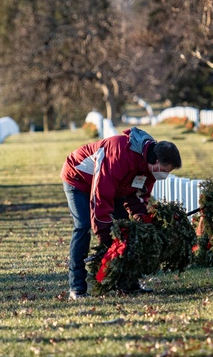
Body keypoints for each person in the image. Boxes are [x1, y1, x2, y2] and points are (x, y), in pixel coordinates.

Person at [61, 127, 182, 299]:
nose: (165, 175)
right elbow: (101, 196)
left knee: (126, 228)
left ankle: (128, 284)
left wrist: (144, 224)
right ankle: (77, 287)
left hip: (115, 187)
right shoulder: (119, 153)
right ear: (155, 159)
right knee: (83, 226)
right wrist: (106, 238)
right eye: (164, 169)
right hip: (78, 177)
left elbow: (138, 199)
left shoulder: (150, 170)